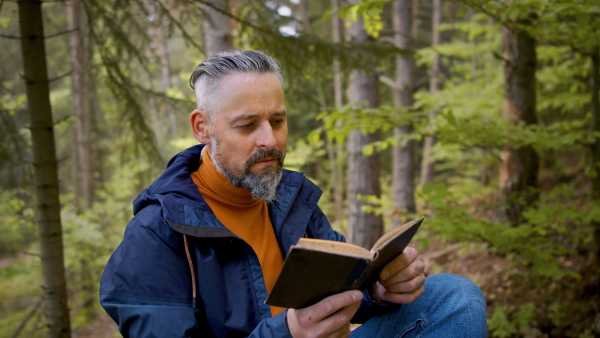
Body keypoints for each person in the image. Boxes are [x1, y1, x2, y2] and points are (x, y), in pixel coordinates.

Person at [100, 49, 487, 337]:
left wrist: (381, 289)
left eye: (278, 120)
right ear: (202, 127)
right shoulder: (155, 235)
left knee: (455, 296)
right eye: (247, 125)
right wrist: (286, 333)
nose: (269, 139)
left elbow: (344, 291)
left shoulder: (290, 197)